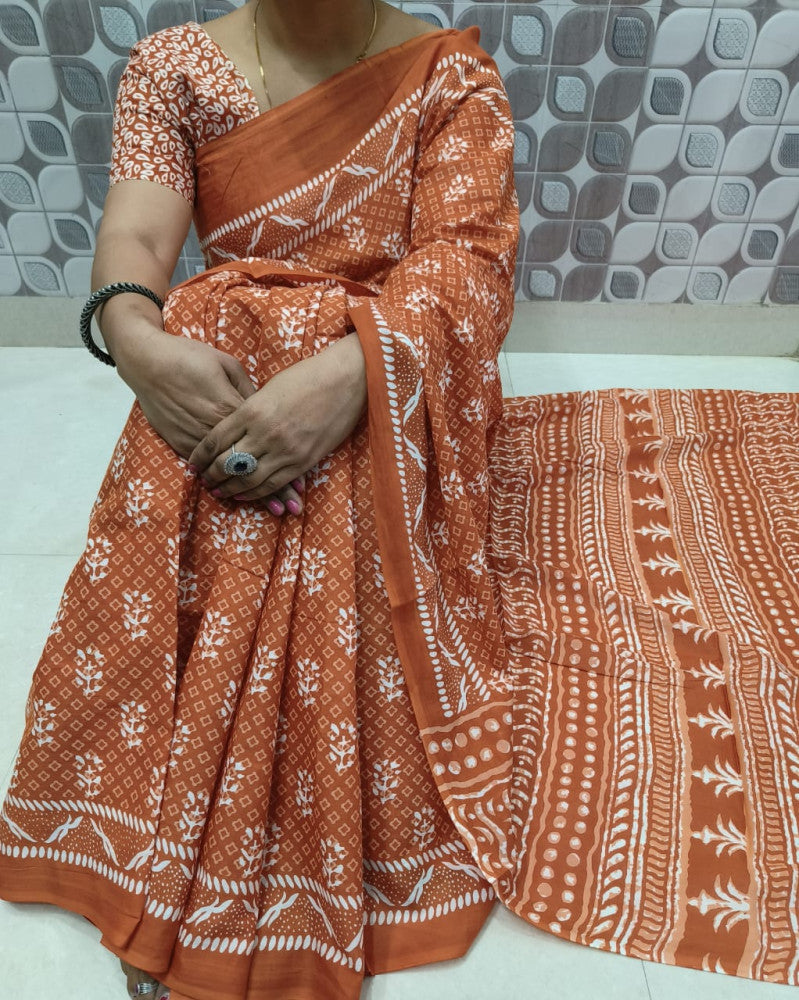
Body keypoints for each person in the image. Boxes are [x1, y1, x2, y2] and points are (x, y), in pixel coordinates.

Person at [1, 2, 798, 999]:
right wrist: (136, 342)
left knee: (318, 513)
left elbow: (467, 268)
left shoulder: (446, 77)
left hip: (394, 373)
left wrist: (349, 379)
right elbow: (135, 231)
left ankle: (213, 858)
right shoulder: (174, 68)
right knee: (213, 373)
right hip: (232, 365)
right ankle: (200, 838)